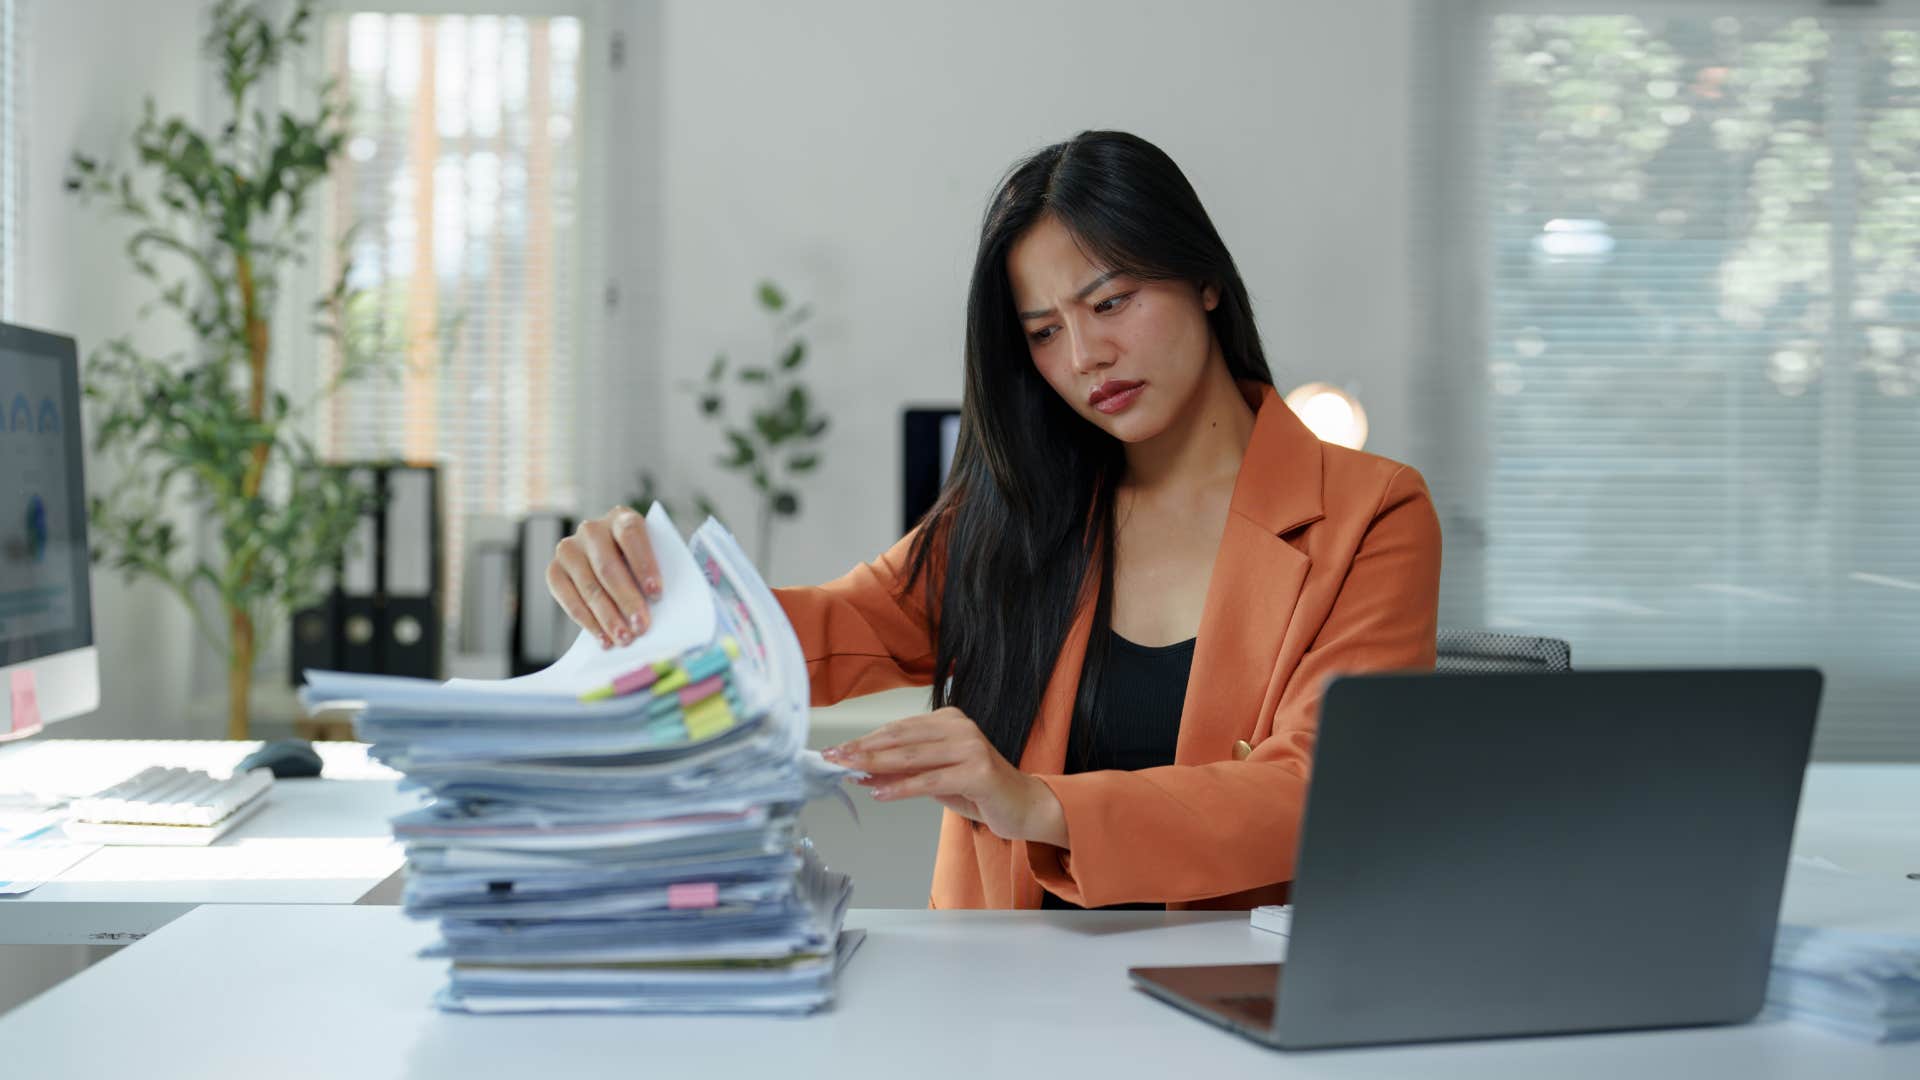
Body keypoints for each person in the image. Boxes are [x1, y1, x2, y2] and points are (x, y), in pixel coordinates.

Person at [546, 130, 1441, 911]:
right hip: (995, 996)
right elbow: (835, 626)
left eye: (1111, 301)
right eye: (1044, 331)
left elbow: (1321, 788)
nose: (1087, 355)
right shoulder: (1018, 511)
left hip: (1231, 993)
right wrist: (654, 586)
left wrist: (1040, 806)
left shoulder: (1370, 513)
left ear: (1204, 278)